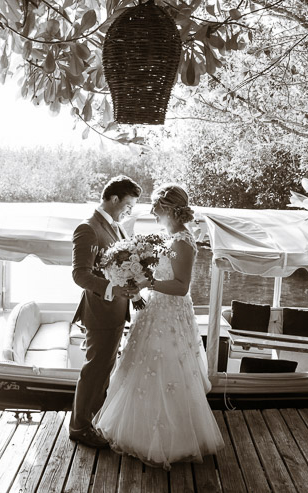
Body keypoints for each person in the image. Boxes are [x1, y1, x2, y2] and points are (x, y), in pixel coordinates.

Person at [93, 183, 224, 469]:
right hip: (153, 310)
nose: (151, 211)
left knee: (166, 370)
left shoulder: (182, 241)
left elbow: (181, 286)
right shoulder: (168, 237)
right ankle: (139, 433)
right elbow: (160, 274)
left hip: (171, 314)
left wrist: (148, 282)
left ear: (168, 209)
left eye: (155, 206)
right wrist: (136, 274)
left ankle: (170, 440)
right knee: (141, 369)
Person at [69, 175, 143, 448]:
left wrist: (133, 289)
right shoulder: (87, 228)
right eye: (128, 204)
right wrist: (113, 289)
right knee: (95, 370)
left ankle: (93, 421)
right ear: (113, 199)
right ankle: (79, 428)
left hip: (117, 311)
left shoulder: (119, 229)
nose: (129, 210)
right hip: (100, 311)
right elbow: (80, 275)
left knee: (104, 369)